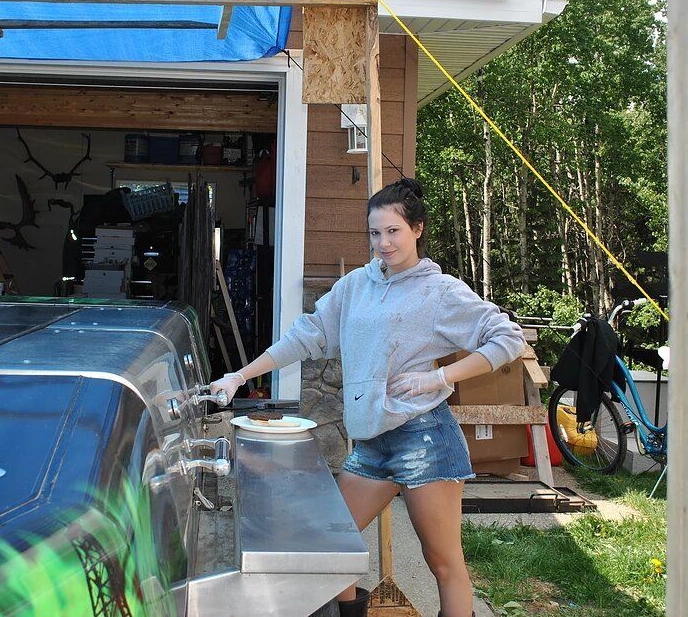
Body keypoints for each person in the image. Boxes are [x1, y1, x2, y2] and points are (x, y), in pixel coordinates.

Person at [210, 178, 524, 617]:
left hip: (425, 440)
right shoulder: (356, 285)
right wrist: (239, 376)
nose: (383, 243)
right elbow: (306, 337)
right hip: (373, 442)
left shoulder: (439, 291)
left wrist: (440, 378)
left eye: (393, 231)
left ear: (417, 229)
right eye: (375, 233)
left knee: (443, 561)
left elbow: (507, 337)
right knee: (333, 547)